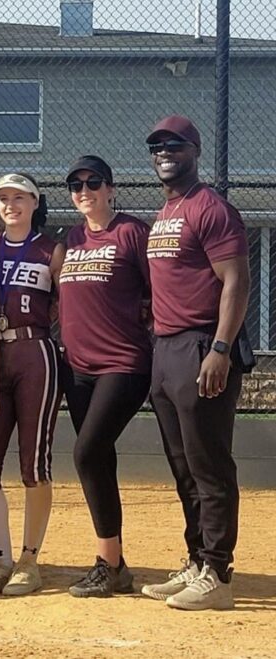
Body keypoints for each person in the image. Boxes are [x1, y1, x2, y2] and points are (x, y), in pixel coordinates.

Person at [139, 116, 250, 611]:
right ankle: (197, 561)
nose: (164, 152)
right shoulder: (166, 211)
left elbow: (236, 281)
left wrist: (221, 350)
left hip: (202, 346)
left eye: (173, 145)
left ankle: (218, 574)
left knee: (209, 465)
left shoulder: (211, 208)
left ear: (195, 150)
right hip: (165, 350)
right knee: (183, 466)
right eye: (156, 146)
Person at [55, 155, 153, 598]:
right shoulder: (71, 238)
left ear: (111, 189)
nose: (84, 191)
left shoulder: (130, 231)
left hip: (124, 363)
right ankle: (117, 563)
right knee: (99, 457)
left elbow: (160, 290)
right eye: (76, 185)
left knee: (86, 451)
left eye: (94, 182)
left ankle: (106, 563)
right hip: (79, 368)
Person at [0, 174, 63, 597]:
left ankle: (29, 559)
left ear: (34, 202)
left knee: (33, 463)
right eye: (3, 198)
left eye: (19, 197)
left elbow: (64, 305)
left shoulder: (50, 249)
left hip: (33, 351)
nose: (10, 205)